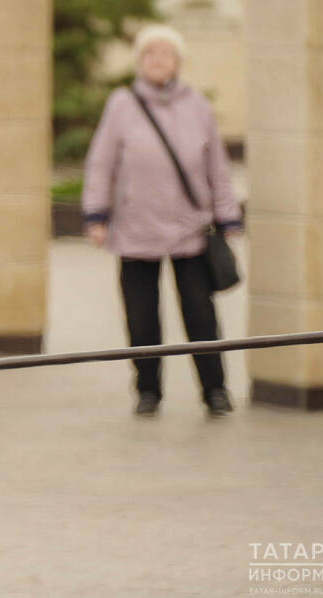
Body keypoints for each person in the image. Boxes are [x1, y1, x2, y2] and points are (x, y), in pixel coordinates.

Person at [82, 24, 242, 418]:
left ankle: (215, 390)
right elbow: (101, 164)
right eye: (150, 53)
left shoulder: (196, 105)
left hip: (189, 230)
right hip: (136, 228)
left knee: (201, 316)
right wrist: (96, 214)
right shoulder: (122, 104)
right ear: (140, 61)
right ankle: (148, 390)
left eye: (165, 53)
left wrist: (228, 215)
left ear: (178, 62)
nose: (157, 59)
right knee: (141, 318)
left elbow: (216, 167)